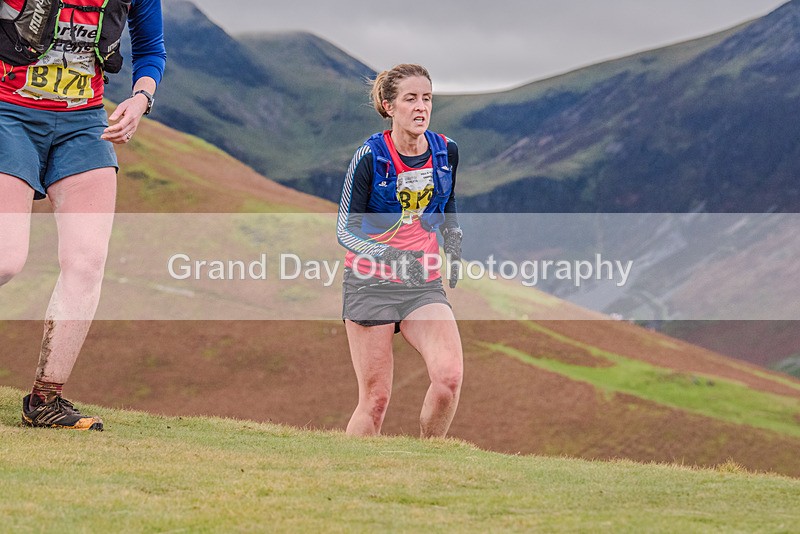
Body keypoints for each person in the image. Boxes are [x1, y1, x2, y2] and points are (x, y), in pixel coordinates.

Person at [0, 0, 166, 430]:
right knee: (5, 259)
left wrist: (140, 98)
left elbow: (152, 50)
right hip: (7, 113)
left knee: (87, 262)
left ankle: (46, 400)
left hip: (84, 123)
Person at [336, 64, 464, 438]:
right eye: (410, 99)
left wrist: (453, 236)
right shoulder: (370, 156)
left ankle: (429, 462)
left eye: (427, 98)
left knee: (449, 377)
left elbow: (447, 199)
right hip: (369, 283)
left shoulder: (446, 151)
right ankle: (351, 481)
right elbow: (345, 230)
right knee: (375, 401)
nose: (421, 107)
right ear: (388, 106)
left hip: (422, 282)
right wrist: (393, 258)